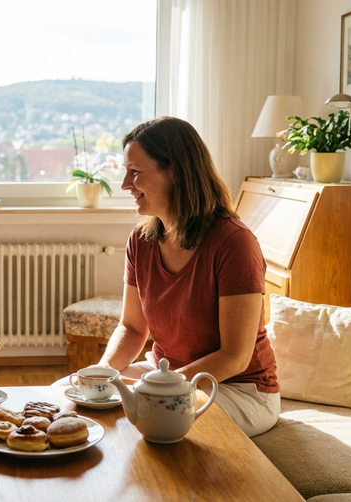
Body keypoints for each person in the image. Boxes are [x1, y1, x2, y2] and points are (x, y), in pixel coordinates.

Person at [95, 116, 280, 437]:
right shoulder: (141, 241)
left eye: (135, 172)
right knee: (68, 395)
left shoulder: (233, 242)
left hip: (240, 389)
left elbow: (235, 357)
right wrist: (101, 374)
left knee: (149, 420)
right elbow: (132, 327)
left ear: (176, 172)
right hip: (165, 373)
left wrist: (158, 387)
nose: (125, 184)